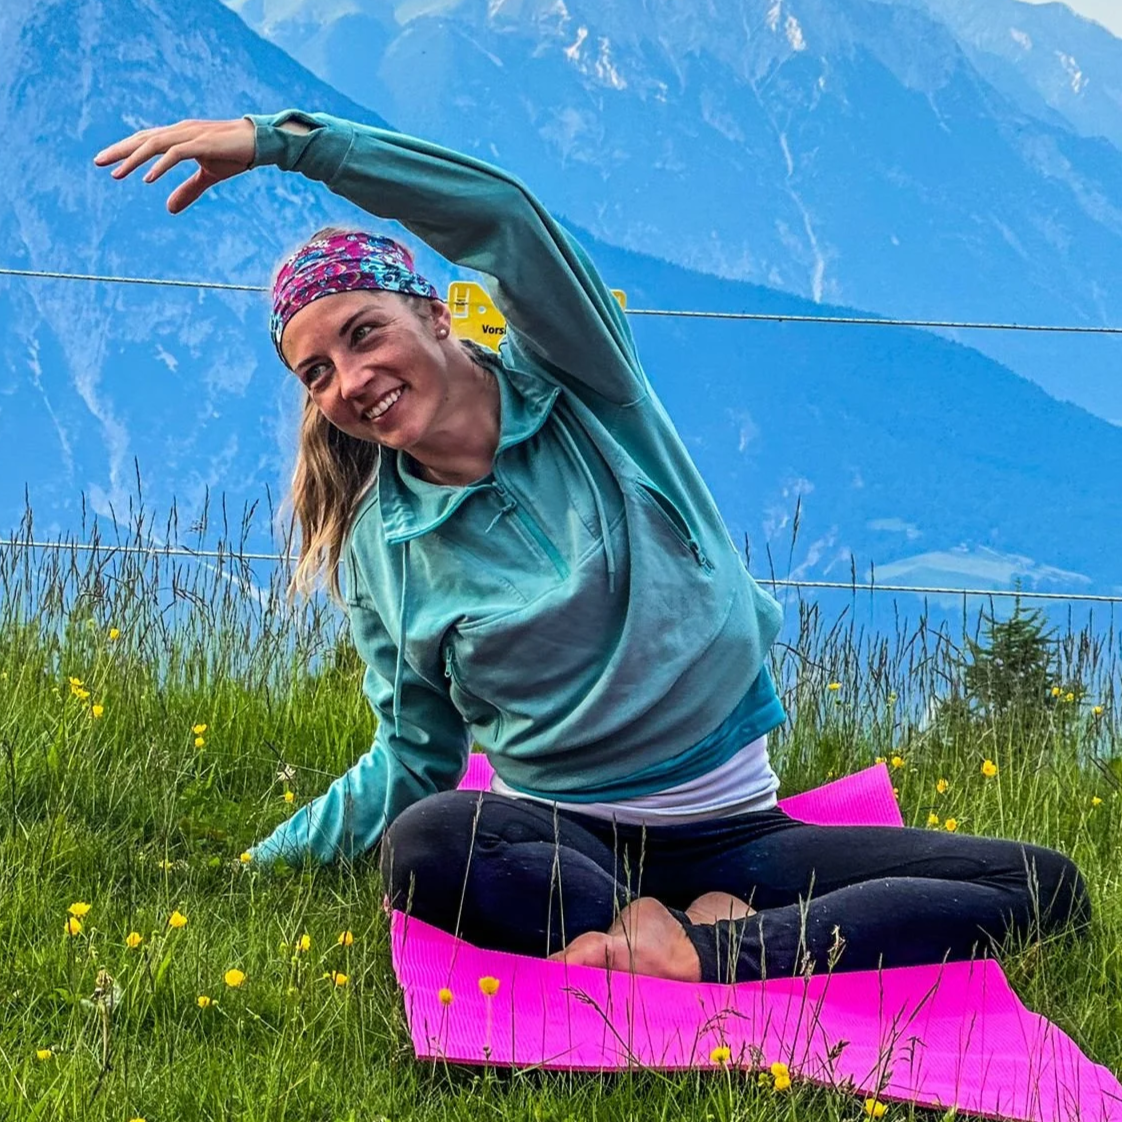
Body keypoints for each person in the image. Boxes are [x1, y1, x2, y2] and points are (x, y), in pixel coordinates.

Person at [94, 111, 1091, 984]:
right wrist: (250, 872)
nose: (349, 379)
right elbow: (414, 757)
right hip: (562, 844)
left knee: (1041, 887)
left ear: (435, 316)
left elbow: (506, 220)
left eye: (364, 334)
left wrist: (283, 145)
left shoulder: (584, 387)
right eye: (317, 373)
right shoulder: (381, 549)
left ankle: (696, 948)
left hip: (738, 831)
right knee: (430, 844)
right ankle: (702, 943)